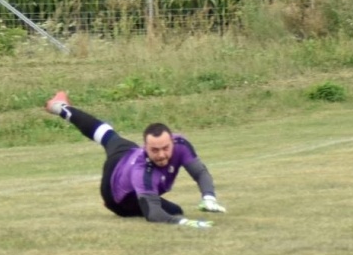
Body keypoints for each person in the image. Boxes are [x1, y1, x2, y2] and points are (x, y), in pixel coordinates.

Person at [45, 91, 225, 227]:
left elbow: (200, 172)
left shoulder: (181, 144)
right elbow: (153, 214)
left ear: (172, 141)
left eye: (165, 148)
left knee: (106, 132)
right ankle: (111, 199)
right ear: (145, 148)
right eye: (155, 150)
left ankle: (60, 106)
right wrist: (185, 223)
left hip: (125, 155)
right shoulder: (142, 171)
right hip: (115, 196)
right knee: (174, 211)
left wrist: (209, 197)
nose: (161, 155)